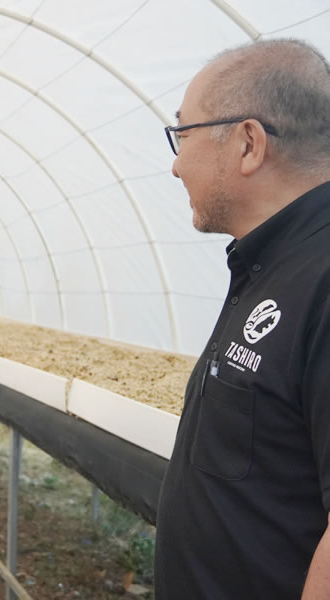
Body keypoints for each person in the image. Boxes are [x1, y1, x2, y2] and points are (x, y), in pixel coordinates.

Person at [156, 38, 330, 599]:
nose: (176, 165)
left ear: (248, 143)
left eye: (183, 135)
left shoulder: (322, 278)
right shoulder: (268, 263)